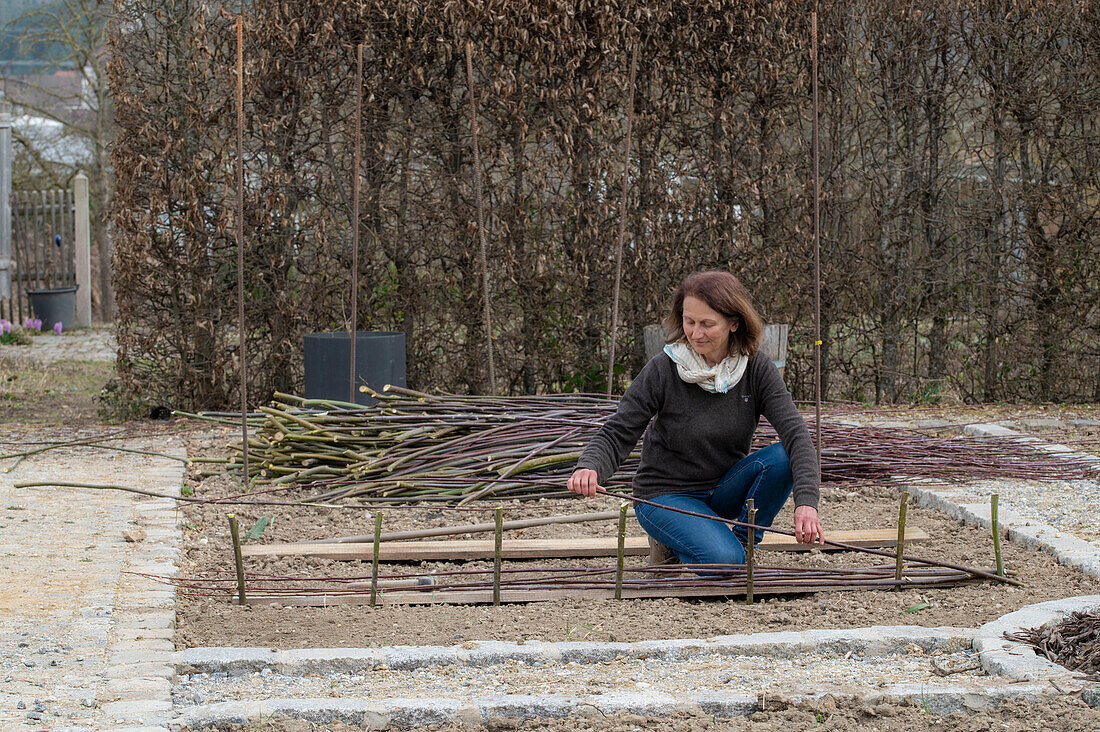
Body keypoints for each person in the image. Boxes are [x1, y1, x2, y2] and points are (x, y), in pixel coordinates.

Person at [567, 270, 823, 569]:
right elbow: (620, 430)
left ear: (734, 323)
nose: (696, 333)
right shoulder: (664, 368)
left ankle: (742, 543)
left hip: (723, 489)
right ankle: (685, 545)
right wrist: (590, 466)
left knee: (782, 456)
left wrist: (806, 502)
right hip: (665, 495)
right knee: (723, 561)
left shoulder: (755, 368)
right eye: (690, 322)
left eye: (707, 324)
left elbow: (796, 433)